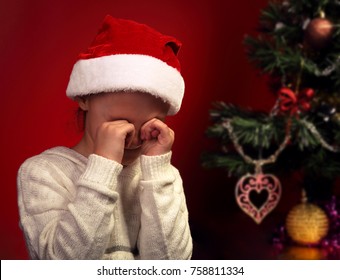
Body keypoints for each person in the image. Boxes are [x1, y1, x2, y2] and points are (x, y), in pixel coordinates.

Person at [17, 15, 193, 260]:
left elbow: (172, 266)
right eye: (121, 121)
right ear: (85, 97)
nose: (133, 139)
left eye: (152, 124)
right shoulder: (44, 172)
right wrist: (103, 167)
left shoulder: (163, 177)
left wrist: (158, 173)